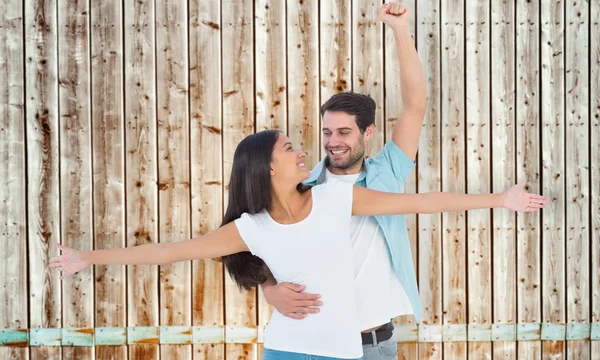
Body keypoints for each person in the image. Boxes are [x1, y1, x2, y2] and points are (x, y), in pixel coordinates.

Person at [50, 130, 547, 360]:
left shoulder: (336, 198)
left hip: (345, 353)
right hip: (286, 351)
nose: (303, 152)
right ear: (268, 167)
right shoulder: (252, 228)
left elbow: (418, 203)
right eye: (290, 148)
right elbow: (164, 252)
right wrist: (85, 258)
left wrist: (498, 199)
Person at [260, 1, 428, 358]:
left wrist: (400, 31)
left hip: (373, 345)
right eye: (327, 131)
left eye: (344, 132)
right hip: (313, 343)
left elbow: (415, 104)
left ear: (368, 133)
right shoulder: (303, 185)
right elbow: (258, 238)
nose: (333, 141)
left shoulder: (388, 173)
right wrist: (268, 287)